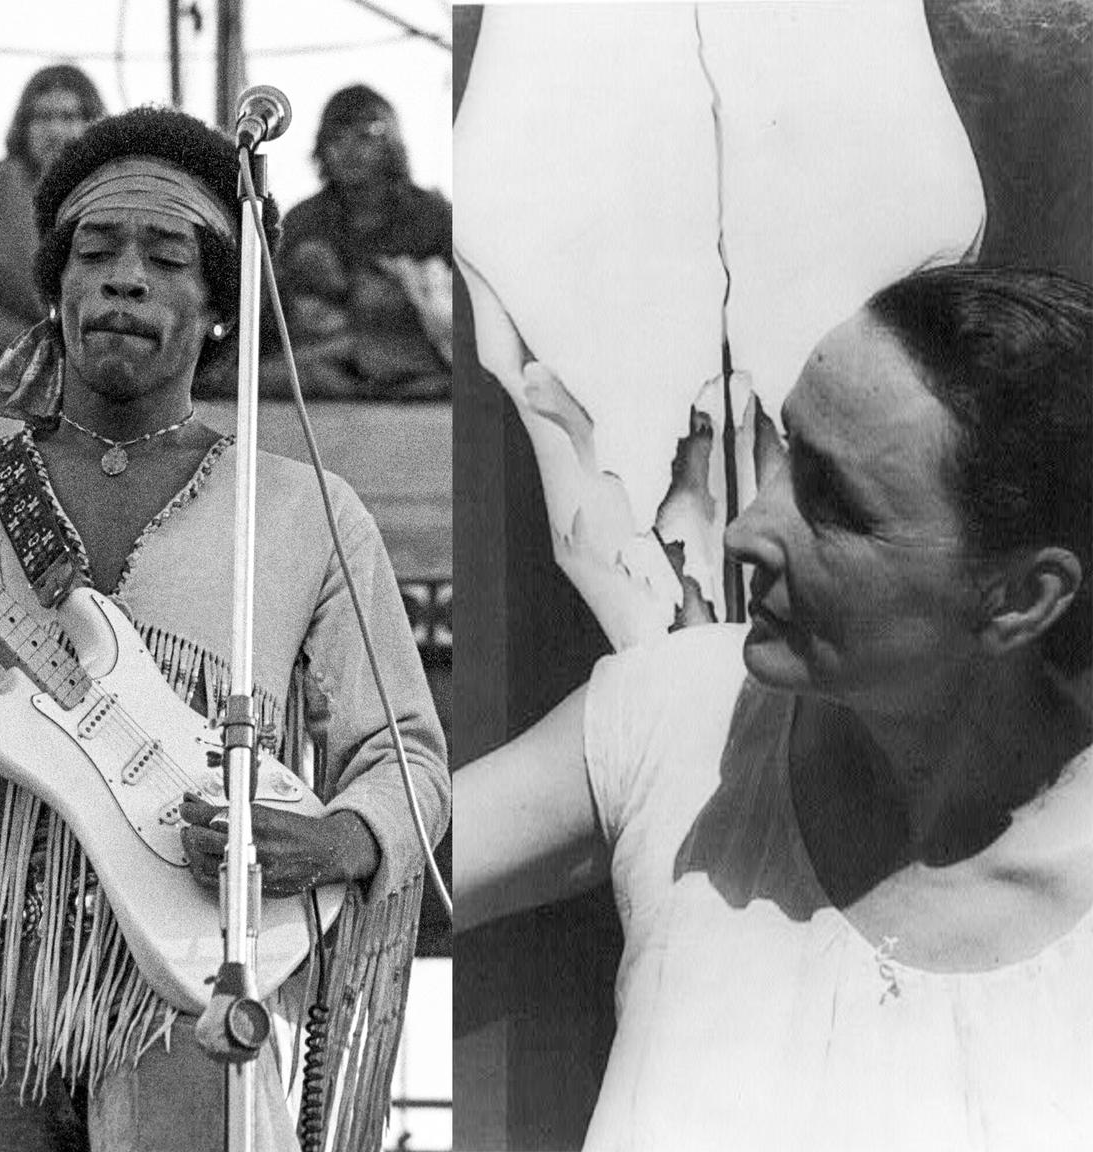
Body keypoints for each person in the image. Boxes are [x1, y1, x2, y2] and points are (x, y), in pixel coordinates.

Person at [0, 106, 450, 1151]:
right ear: (53, 290)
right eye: (94, 252)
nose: (124, 279)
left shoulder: (302, 512)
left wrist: (333, 839)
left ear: (221, 304)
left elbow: (405, 755)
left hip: (194, 999)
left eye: (167, 257)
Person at [449, 265, 1093, 1150]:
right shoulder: (681, 715)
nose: (749, 526)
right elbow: (371, 860)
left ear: (1021, 598)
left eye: (837, 506)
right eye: (788, 451)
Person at [267, 84, 461, 401]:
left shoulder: (434, 216)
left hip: (419, 359)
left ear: (391, 144)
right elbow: (276, 308)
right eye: (337, 139)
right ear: (322, 148)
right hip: (321, 366)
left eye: (364, 137)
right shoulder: (303, 221)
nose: (350, 151)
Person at [0, 64, 105, 381]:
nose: (55, 131)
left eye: (69, 117)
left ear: (91, 122)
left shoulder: (115, 185)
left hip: (95, 330)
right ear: (24, 125)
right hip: (18, 332)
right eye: (43, 118)